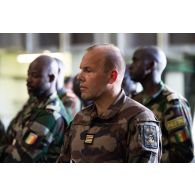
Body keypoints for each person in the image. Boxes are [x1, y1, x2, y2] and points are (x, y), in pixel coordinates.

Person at [58, 44, 162, 163]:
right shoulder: (80, 118)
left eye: (88, 70)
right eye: (81, 70)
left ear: (112, 77)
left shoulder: (138, 119)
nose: (79, 77)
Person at [129, 46, 194, 162]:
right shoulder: (134, 100)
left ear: (150, 66)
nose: (130, 66)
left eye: (135, 60)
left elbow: (183, 153)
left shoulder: (173, 103)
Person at [1, 55, 70, 162]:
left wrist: (8, 148)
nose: (28, 80)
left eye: (35, 76)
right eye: (28, 75)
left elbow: (20, 157)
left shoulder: (50, 114)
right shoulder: (34, 104)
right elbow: (8, 134)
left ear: (51, 78)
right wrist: (7, 148)